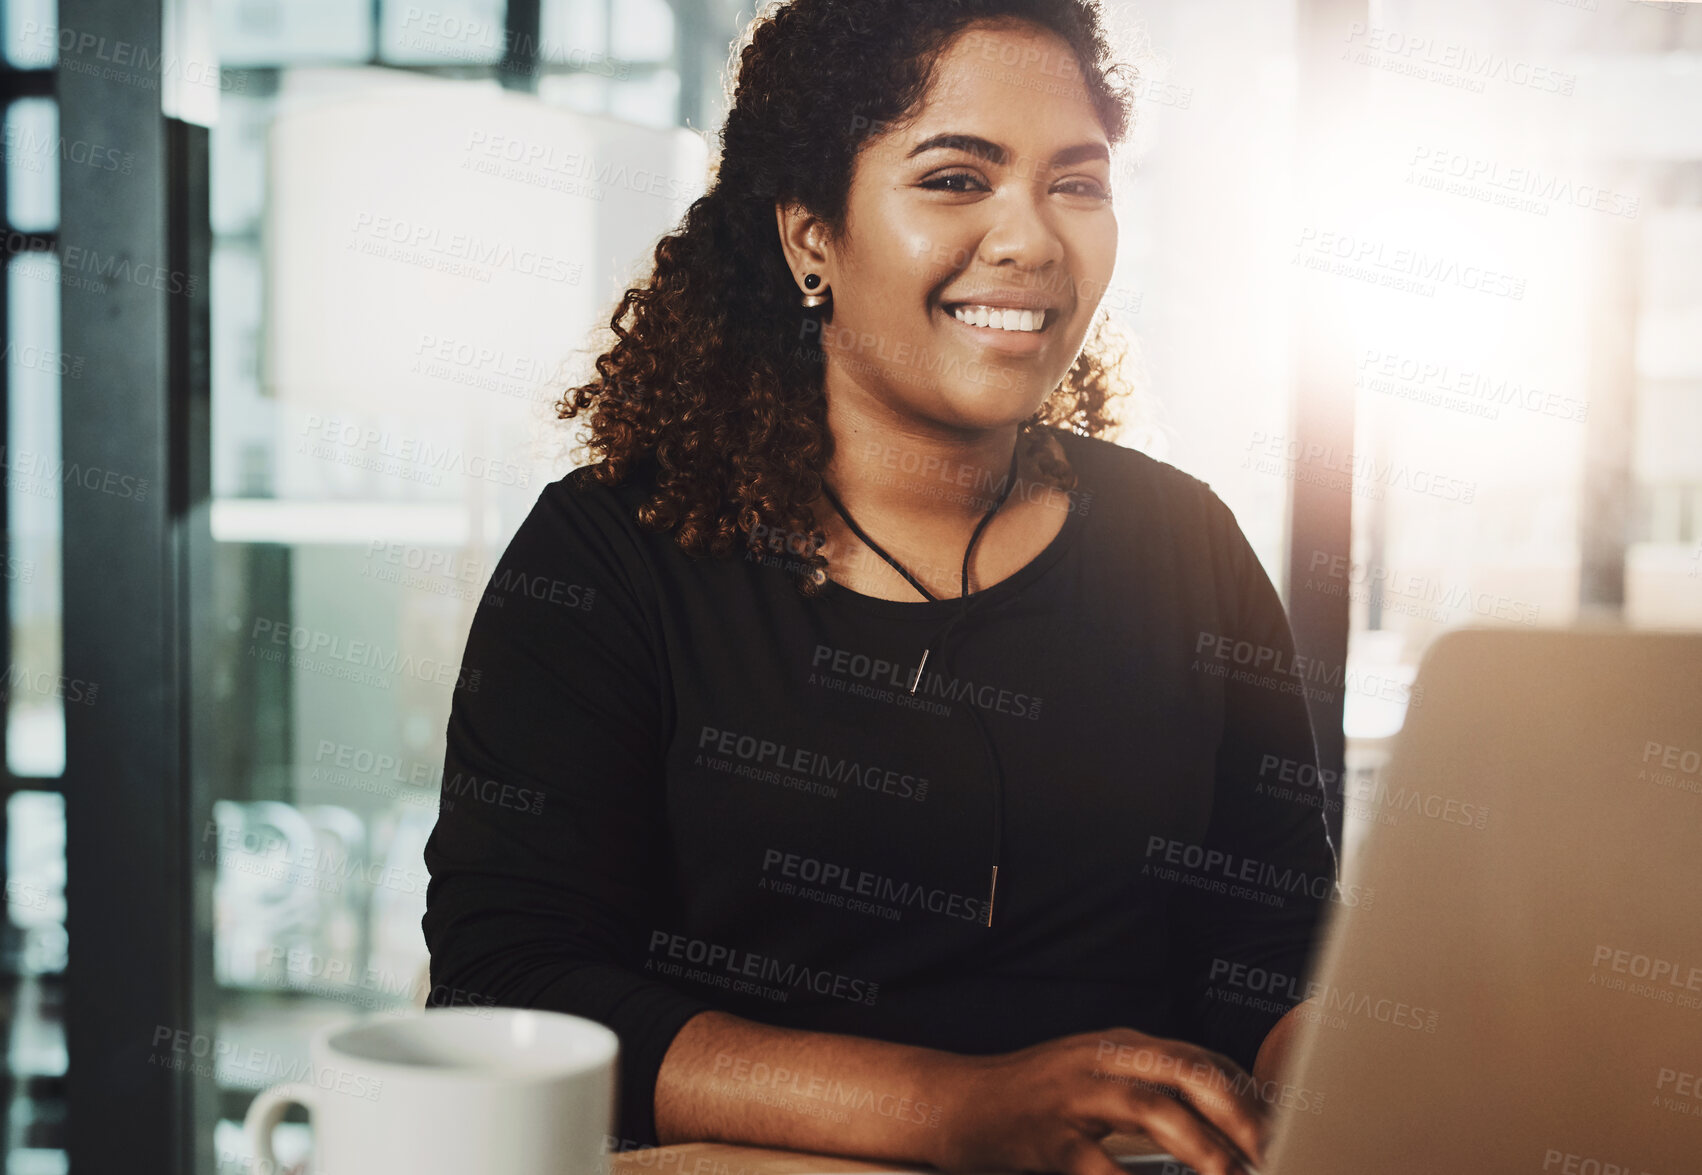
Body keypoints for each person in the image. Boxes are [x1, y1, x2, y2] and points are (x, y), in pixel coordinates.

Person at [422, 3, 1339, 1174]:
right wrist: (953, 1109)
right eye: (956, 178)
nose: (1032, 241)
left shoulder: (1183, 540)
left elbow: (1275, 941)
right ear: (812, 237)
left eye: (1076, 184)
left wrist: (1365, 1087)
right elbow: (509, 980)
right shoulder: (609, 554)